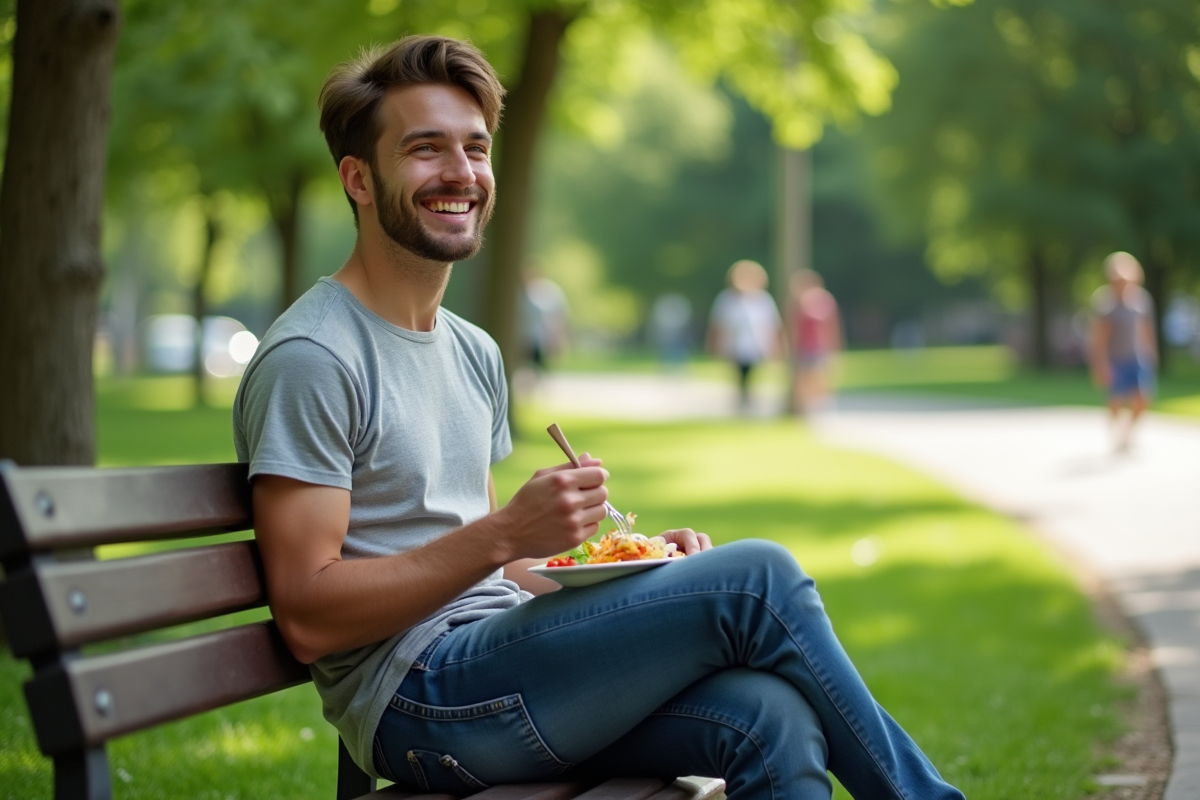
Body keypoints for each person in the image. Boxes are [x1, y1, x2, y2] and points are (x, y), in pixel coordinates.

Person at [233, 35, 965, 800]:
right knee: (759, 579)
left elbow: (486, 562)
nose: (461, 173)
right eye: (425, 149)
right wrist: (508, 531)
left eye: (476, 149)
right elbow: (309, 616)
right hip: (420, 701)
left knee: (770, 714)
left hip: (501, 664)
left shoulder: (473, 351)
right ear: (358, 178)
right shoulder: (316, 356)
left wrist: (635, 570)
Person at [1089, 251, 1158, 451]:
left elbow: (1146, 330)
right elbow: (1099, 339)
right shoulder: (1105, 303)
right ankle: (1117, 432)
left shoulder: (1142, 301)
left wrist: (1152, 354)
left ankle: (1128, 433)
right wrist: (1100, 365)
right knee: (1116, 398)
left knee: (1143, 397)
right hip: (1114, 358)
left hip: (1137, 357)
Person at [706, 260, 784, 411]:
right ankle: (743, 400)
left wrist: (775, 347)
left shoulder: (763, 300)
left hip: (756, 346)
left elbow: (772, 326)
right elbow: (718, 324)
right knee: (739, 374)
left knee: (752, 375)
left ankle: (747, 400)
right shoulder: (727, 299)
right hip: (733, 346)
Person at [787, 270, 842, 414]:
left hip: (820, 347)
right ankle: (803, 409)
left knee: (820, 378)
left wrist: (835, 349)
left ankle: (820, 407)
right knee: (803, 379)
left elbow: (832, 327)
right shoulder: (798, 302)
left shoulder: (825, 301)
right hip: (803, 348)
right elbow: (793, 328)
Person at [521, 265, 570, 373]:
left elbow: (559, 316)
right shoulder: (521, 293)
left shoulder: (550, 291)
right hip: (524, 337)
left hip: (542, 337)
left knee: (539, 368)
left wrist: (558, 338)